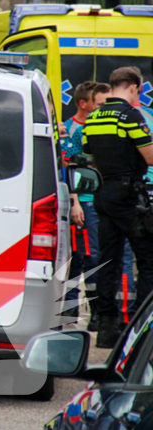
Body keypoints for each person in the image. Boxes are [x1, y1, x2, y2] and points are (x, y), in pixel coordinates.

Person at [83, 67, 153, 348]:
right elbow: (150, 157)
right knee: (148, 261)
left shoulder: (94, 117)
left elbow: (90, 155)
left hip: (103, 194)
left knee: (108, 262)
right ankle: (140, 327)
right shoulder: (131, 116)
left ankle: (107, 329)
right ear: (135, 87)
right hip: (129, 197)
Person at [62, 81, 103, 328]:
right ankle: (80, 312)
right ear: (83, 104)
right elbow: (70, 168)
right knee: (85, 258)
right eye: (96, 104)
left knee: (90, 257)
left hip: (97, 201)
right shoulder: (71, 129)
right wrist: (75, 202)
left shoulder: (98, 126)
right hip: (84, 202)